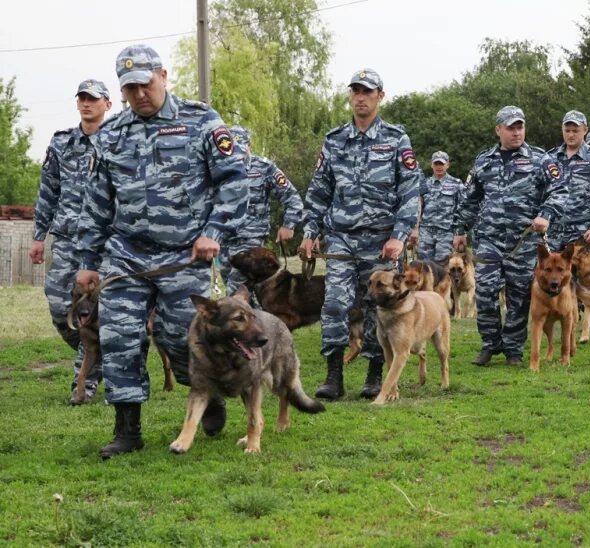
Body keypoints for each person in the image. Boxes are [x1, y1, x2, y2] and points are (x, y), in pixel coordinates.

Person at [75, 44, 249, 458]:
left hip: (185, 255)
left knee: (181, 338)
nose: (139, 94)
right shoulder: (112, 134)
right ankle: (127, 429)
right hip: (127, 256)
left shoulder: (201, 121)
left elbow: (234, 180)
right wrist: (86, 261)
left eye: (145, 84)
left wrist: (213, 231)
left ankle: (210, 393)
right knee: (119, 336)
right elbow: (97, 202)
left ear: (164, 77)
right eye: (129, 88)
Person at [299, 68, 422, 401]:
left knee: (377, 305)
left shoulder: (397, 139)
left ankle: (374, 374)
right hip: (341, 238)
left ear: (380, 96)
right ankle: (334, 376)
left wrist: (399, 234)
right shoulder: (334, 139)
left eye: (367, 91)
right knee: (335, 303)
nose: (360, 97)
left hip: (382, 241)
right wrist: (310, 232)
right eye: (355, 91)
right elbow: (319, 192)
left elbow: (410, 192)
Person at [452, 106, 567, 366]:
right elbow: (470, 198)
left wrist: (546, 214)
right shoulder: (484, 161)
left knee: (519, 295)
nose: (516, 132)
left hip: (524, 242)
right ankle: (490, 343)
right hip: (489, 239)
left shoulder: (540, 159)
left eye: (520, 127)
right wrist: (460, 230)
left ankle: (514, 349)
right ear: (498, 130)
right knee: (485, 292)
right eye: (511, 128)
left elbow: (560, 189)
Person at [29, 79, 112, 403]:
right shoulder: (62, 143)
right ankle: (97, 352)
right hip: (66, 238)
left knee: (98, 311)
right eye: (82, 98)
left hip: (105, 241)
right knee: (60, 308)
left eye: (93, 98)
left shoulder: (118, 140)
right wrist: (39, 235)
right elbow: (48, 191)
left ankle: (84, 384)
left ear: (107, 103)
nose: (86, 103)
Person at [219, 125, 304, 294]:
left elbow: (292, 197)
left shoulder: (264, 168)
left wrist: (289, 224)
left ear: (249, 146)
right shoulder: (218, 168)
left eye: (241, 150)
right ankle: (262, 319)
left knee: (235, 291)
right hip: (224, 240)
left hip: (252, 240)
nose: (237, 155)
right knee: (248, 294)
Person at [546, 111, 590, 251]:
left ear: (585, 130)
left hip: (582, 235)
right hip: (553, 233)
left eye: (575, 131)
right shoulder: (549, 158)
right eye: (567, 130)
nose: (571, 135)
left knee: (581, 273)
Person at [408, 151, 465, 263]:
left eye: (441, 164)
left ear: (447, 165)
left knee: (443, 267)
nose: (439, 167)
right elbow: (418, 207)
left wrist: (460, 233)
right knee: (423, 267)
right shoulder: (425, 184)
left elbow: (462, 209)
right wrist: (415, 229)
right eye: (436, 164)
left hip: (446, 233)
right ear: (431, 165)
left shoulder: (457, 184)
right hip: (426, 231)